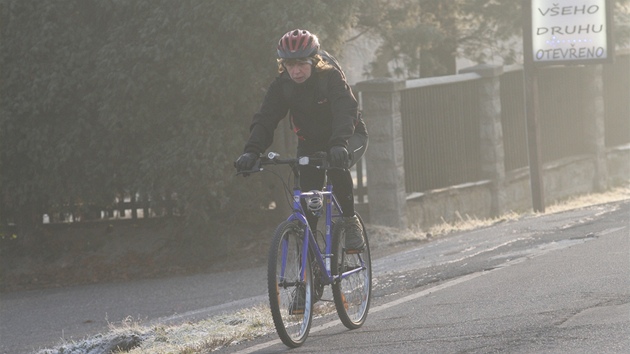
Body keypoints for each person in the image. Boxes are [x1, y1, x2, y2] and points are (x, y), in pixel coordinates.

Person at [235, 29, 368, 252]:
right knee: (309, 202)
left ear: (314, 61)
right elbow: (266, 118)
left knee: (336, 166)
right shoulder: (282, 86)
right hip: (311, 143)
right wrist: (251, 151)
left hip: (348, 136)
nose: (295, 71)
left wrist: (339, 144)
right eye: (289, 65)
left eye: (301, 64)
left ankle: (349, 220)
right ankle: (312, 262)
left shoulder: (331, 78)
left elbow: (346, 111)